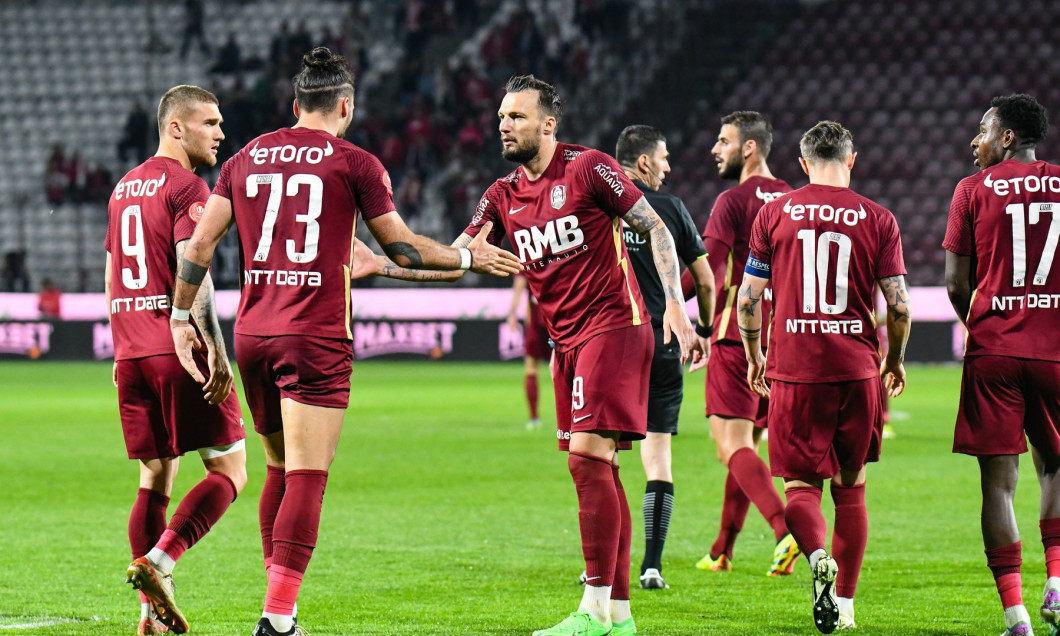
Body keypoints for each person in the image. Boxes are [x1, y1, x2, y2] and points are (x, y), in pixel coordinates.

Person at [169, 48, 520, 636]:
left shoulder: (245, 157)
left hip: (253, 334)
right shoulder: (355, 162)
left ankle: (280, 607)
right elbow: (403, 246)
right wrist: (467, 257)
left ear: (296, 103)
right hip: (315, 335)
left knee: (279, 467)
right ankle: (277, 617)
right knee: (308, 474)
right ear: (346, 106)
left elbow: (198, 248)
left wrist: (182, 319)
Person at [456, 75, 698, 636]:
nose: (504, 125)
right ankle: (618, 615)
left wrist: (677, 309)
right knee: (602, 468)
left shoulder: (588, 168)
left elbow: (655, 229)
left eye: (516, 116)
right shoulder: (500, 192)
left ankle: (591, 609)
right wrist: (460, 256)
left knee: (585, 460)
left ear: (547, 123)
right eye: (500, 117)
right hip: (565, 341)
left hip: (614, 326)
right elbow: (463, 247)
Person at [737, 120, 910, 633]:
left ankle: (816, 561)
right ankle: (849, 606)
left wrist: (753, 353)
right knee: (851, 489)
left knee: (800, 489)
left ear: (803, 163)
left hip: (795, 371)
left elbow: (749, 297)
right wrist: (894, 359)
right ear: (851, 160)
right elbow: (898, 307)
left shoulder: (774, 213)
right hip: (857, 371)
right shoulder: (879, 218)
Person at [108, 85, 247, 636]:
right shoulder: (186, 185)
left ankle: (149, 618)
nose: (219, 133)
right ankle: (160, 561)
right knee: (231, 469)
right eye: (209, 123)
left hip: (131, 350)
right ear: (175, 129)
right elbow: (197, 258)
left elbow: (113, 268)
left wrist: (118, 343)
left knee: (154, 477)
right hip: (179, 350)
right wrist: (214, 343)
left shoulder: (123, 188)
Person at [944, 94, 1060, 636]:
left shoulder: (971, 190)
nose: (975, 139)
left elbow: (954, 282)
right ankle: (1057, 581)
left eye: (983, 129)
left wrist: (982, 325)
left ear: (1007, 137)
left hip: (994, 347)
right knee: (1056, 465)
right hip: (1056, 348)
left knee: (999, 485)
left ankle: (1015, 616)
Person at [688, 111, 799, 576]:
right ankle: (722, 550)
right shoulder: (796, 199)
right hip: (785, 340)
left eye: (724, 140)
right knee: (748, 443)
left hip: (739, 335)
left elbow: (709, 271)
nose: (716, 149)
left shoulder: (733, 200)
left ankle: (785, 531)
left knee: (729, 445)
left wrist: (698, 326)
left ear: (748, 148)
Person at [613, 124, 715, 590]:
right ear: (643, 162)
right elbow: (708, 281)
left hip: (610, 344)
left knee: (602, 458)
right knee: (659, 460)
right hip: (663, 342)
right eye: (665, 157)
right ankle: (652, 565)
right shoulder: (671, 210)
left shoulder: (599, 209)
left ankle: (603, 563)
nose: (670, 166)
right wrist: (708, 331)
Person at [505, 273, 551, 429]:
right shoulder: (561, 251)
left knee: (531, 369)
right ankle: (574, 419)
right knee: (568, 370)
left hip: (537, 319)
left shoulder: (527, 254)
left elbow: (519, 285)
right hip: (559, 317)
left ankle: (534, 418)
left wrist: (512, 314)